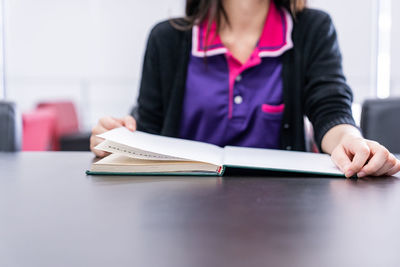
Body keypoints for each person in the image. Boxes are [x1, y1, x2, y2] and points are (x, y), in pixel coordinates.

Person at [90, 0, 400, 178]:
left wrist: (351, 142)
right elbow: (148, 131)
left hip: (284, 210)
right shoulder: (166, 39)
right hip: (179, 212)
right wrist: (118, 141)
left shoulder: (312, 29)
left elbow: (330, 109)